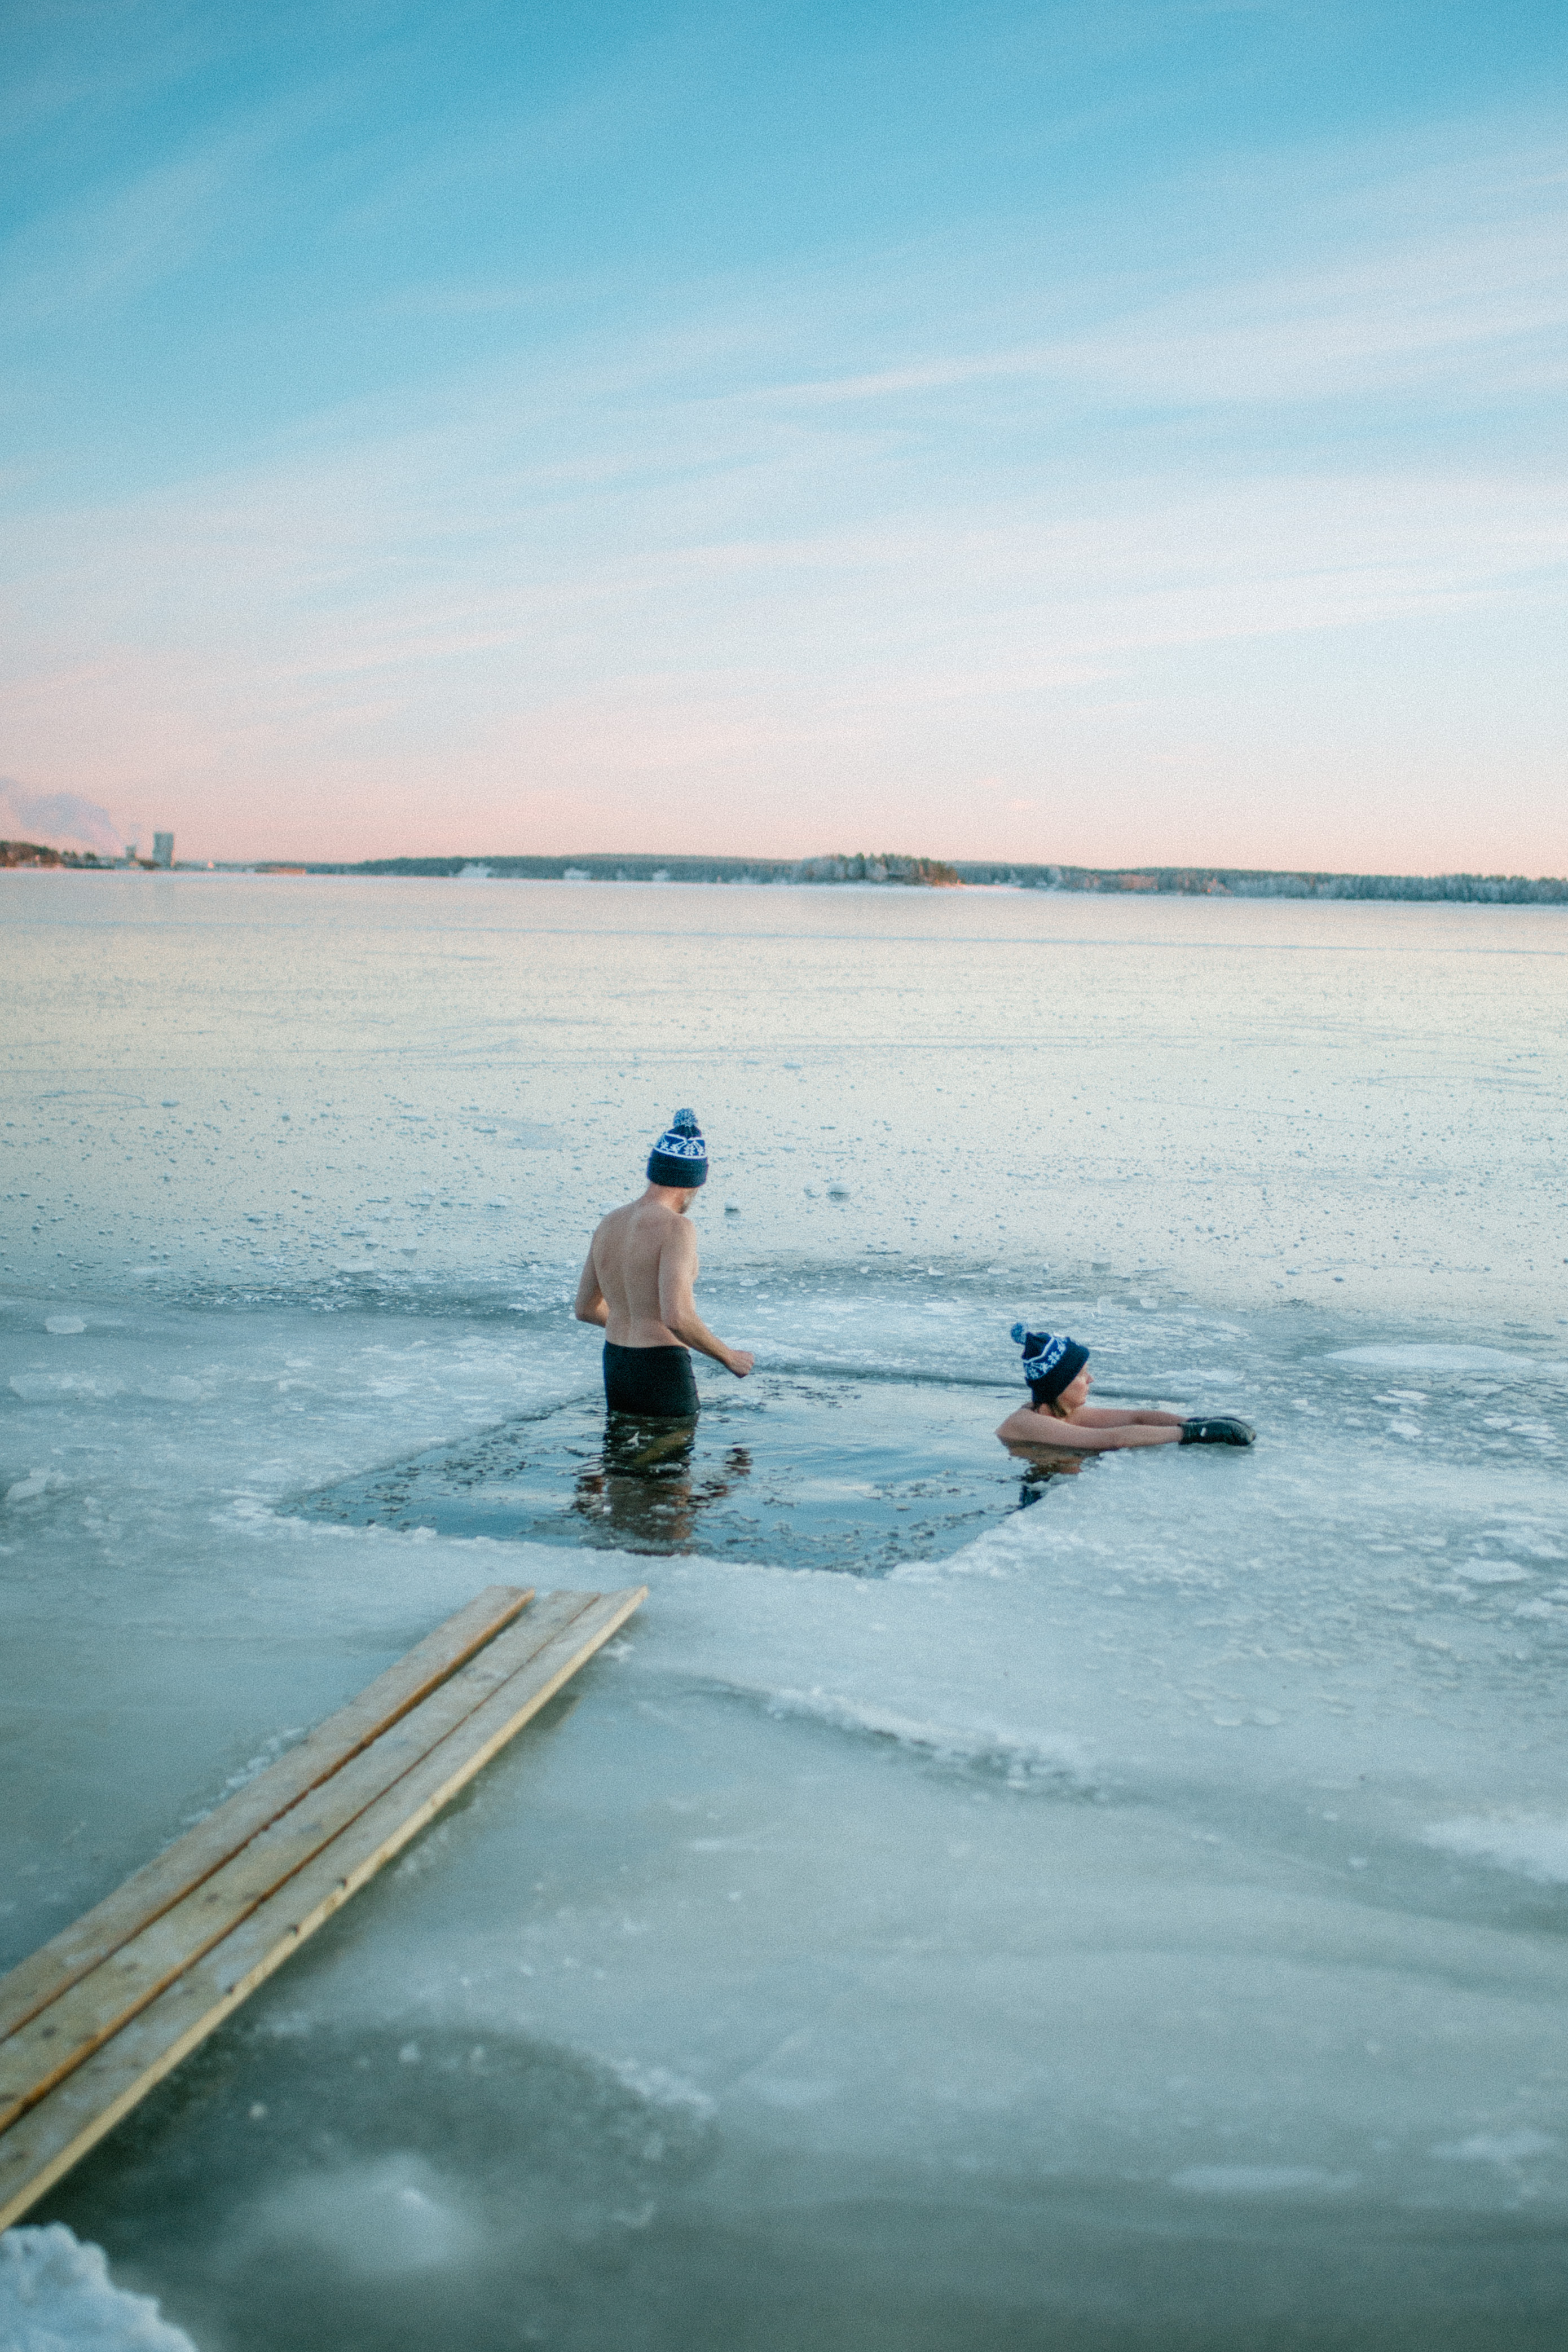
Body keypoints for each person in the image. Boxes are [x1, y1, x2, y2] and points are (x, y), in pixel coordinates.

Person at [574, 1109, 755, 1416]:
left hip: (617, 1363)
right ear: (693, 1182)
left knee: (623, 1460)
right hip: (661, 1367)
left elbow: (585, 1309)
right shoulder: (677, 1228)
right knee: (673, 1458)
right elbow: (677, 1317)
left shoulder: (610, 1223)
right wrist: (729, 1357)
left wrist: (634, 1324)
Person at [996, 1324, 1254, 1454]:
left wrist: (1195, 1421)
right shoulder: (1026, 1423)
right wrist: (1196, 1433)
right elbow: (1114, 1439)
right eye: (1081, 1374)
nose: (1091, 1380)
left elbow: (1137, 1418)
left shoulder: (1057, 1413)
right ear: (1058, 1383)